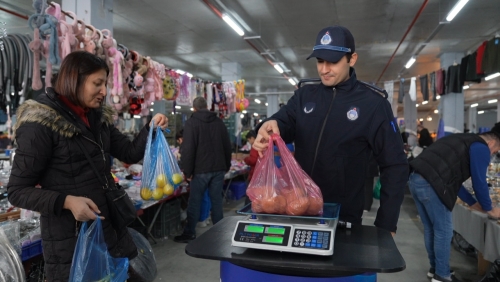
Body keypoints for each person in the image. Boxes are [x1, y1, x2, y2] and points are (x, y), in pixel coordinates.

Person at [7, 51, 168, 281]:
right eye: (97, 83)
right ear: (75, 80)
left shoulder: (96, 118)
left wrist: (150, 129)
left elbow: (129, 153)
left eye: (105, 83)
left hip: (108, 229)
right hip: (71, 241)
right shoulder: (40, 124)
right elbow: (17, 191)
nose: (104, 91)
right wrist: (68, 201)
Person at [253, 25, 408, 234]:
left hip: (343, 218)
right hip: (298, 209)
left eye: (332, 62)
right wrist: (270, 124)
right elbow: (284, 121)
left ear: (352, 59)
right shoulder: (305, 96)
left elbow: (395, 165)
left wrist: (386, 223)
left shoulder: (373, 104)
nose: (324, 69)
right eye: (319, 61)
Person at [409, 125, 500, 282]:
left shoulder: (462, 140)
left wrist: (472, 203)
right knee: (444, 232)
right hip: (432, 184)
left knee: (432, 229)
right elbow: (480, 183)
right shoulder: (481, 148)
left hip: (415, 179)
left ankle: (436, 269)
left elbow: (452, 180)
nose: (494, 154)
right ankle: (441, 276)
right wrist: (490, 209)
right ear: (493, 143)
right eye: (497, 150)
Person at [174, 97, 232, 243]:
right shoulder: (219, 122)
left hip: (200, 170)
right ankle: (220, 233)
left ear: (194, 108)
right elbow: (227, 145)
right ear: (207, 106)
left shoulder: (192, 123)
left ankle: (189, 233)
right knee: (216, 202)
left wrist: (187, 171)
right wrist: (226, 165)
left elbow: (188, 149)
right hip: (218, 168)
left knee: (195, 202)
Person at [243, 130, 258, 205]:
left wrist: (246, 159)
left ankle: (247, 212)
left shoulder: (256, 146)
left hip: (255, 175)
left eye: (249, 140)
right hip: (261, 175)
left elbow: (253, 160)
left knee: (250, 195)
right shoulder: (263, 144)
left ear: (252, 138)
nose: (249, 142)